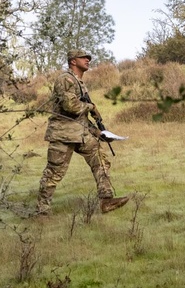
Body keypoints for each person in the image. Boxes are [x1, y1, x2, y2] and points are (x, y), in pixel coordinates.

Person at [36, 49, 130, 216]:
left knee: (101, 161)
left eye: (88, 58)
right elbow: (70, 107)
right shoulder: (65, 79)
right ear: (73, 61)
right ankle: (42, 211)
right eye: (84, 58)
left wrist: (97, 132)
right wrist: (91, 107)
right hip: (63, 134)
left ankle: (106, 200)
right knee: (54, 172)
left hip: (81, 133)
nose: (88, 60)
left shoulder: (79, 82)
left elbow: (80, 118)